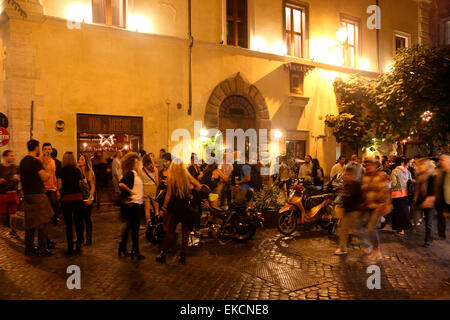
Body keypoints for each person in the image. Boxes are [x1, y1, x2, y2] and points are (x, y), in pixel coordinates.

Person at [156, 159, 201, 265]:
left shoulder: (172, 178)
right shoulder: (187, 177)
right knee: (185, 232)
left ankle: (163, 254)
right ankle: (182, 255)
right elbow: (198, 186)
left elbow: (168, 195)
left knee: (171, 231)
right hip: (186, 207)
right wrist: (191, 190)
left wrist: (163, 208)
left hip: (174, 208)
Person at [19, 139, 54, 257]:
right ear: (36, 148)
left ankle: (29, 248)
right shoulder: (35, 162)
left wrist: (44, 164)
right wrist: (48, 171)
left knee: (30, 223)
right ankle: (41, 248)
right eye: (39, 147)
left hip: (27, 195)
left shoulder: (23, 161)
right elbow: (44, 177)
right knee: (44, 222)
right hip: (38, 195)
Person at [361, 156, 391, 261]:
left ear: (375, 166)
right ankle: (372, 248)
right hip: (369, 206)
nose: (368, 167)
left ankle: (377, 250)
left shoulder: (380, 177)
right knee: (365, 227)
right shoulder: (364, 177)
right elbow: (364, 192)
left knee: (371, 228)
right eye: (366, 165)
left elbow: (386, 192)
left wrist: (385, 205)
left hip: (378, 207)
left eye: (370, 165)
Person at [118, 152, 145, 260]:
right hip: (133, 205)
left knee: (130, 228)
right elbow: (121, 184)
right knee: (134, 229)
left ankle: (123, 247)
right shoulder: (130, 174)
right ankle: (135, 251)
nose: (137, 163)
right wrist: (130, 191)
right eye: (136, 161)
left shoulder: (135, 173)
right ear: (131, 163)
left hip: (136, 204)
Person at [59, 152, 84, 255]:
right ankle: (78, 245)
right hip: (77, 198)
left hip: (66, 199)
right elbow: (81, 184)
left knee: (68, 225)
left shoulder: (61, 171)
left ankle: (70, 247)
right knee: (79, 223)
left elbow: (59, 186)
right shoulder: (77, 171)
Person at [335, 167, 362, 255]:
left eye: (348, 174)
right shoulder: (346, 184)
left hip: (355, 211)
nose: (346, 176)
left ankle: (366, 246)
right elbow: (345, 196)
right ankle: (343, 248)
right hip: (347, 210)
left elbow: (359, 198)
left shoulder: (358, 185)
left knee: (357, 230)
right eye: (345, 174)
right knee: (343, 229)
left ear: (353, 175)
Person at [415, 158, 437, 247]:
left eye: (422, 165)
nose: (419, 167)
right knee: (417, 218)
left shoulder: (432, 176)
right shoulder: (420, 175)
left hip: (430, 202)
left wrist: (429, 200)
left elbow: (433, 191)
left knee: (429, 222)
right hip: (421, 200)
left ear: (427, 166)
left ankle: (429, 240)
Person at [0, 150, 20, 238]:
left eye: (13, 155)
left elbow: (21, 177)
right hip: (2, 194)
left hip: (13, 193)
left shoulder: (15, 167)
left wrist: (18, 178)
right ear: (4, 157)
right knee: (2, 214)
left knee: (13, 214)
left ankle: (13, 231)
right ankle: (1, 231)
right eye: (10, 156)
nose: (12, 157)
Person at [40, 143, 59, 229]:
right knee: (44, 207)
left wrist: (57, 188)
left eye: (49, 149)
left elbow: (53, 175)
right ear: (42, 150)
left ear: (51, 150)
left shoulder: (53, 161)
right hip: (43, 188)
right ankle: (45, 222)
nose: (47, 151)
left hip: (52, 187)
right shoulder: (39, 160)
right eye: (45, 149)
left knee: (54, 205)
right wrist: (46, 162)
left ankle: (54, 220)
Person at [391, 158, 412, 235]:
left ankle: (400, 229)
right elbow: (410, 181)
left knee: (398, 212)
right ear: (402, 163)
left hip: (397, 194)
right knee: (404, 211)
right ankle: (403, 228)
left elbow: (394, 183)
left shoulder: (395, 171)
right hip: (406, 194)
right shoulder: (407, 171)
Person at [78, 154, 96, 246]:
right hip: (79, 198)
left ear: (86, 161)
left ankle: (89, 238)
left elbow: (93, 186)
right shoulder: (77, 171)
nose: (79, 160)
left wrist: (90, 197)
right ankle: (80, 238)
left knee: (87, 219)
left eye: (81, 159)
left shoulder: (89, 172)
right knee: (79, 219)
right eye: (79, 159)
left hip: (87, 197)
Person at [141, 154, 159, 223]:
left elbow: (141, 181)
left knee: (147, 208)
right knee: (156, 206)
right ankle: (157, 219)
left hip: (145, 188)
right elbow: (157, 181)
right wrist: (156, 188)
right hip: (153, 187)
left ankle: (149, 222)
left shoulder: (141, 170)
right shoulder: (155, 169)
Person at [434, 154, 449, 240]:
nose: (441, 162)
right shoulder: (438, 171)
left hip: (448, 198)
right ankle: (441, 234)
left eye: (444, 160)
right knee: (441, 217)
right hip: (440, 198)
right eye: (441, 160)